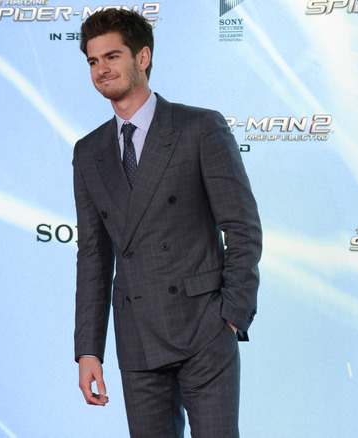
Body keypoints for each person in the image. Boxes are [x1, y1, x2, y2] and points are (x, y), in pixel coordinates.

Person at [72, 8, 262, 437]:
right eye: (93, 61)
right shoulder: (88, 152)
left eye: (112, 57)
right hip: (137, 338)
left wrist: (231, 317)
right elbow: (93, 258)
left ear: (143, 58)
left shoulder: (199, 127)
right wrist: (88, 350)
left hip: (204, 332)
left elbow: (243, 227)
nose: (102, 69)